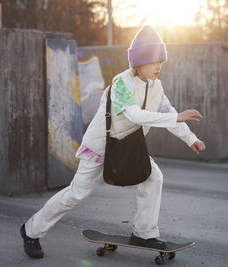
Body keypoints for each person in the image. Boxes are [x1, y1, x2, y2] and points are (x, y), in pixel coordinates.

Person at [20, 25, 206, 259]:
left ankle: (144, 232)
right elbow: (134, 115)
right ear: (139, 61)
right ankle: (31, 230)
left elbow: (168, 112)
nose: (159, 65)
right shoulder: (121, 84)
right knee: (76, 194)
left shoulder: (156, 86)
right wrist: (175, 116)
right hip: (101, 148)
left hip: (129, 147)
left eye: (162, 60)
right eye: (154, 60)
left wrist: (192, 139)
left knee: (153, 176)